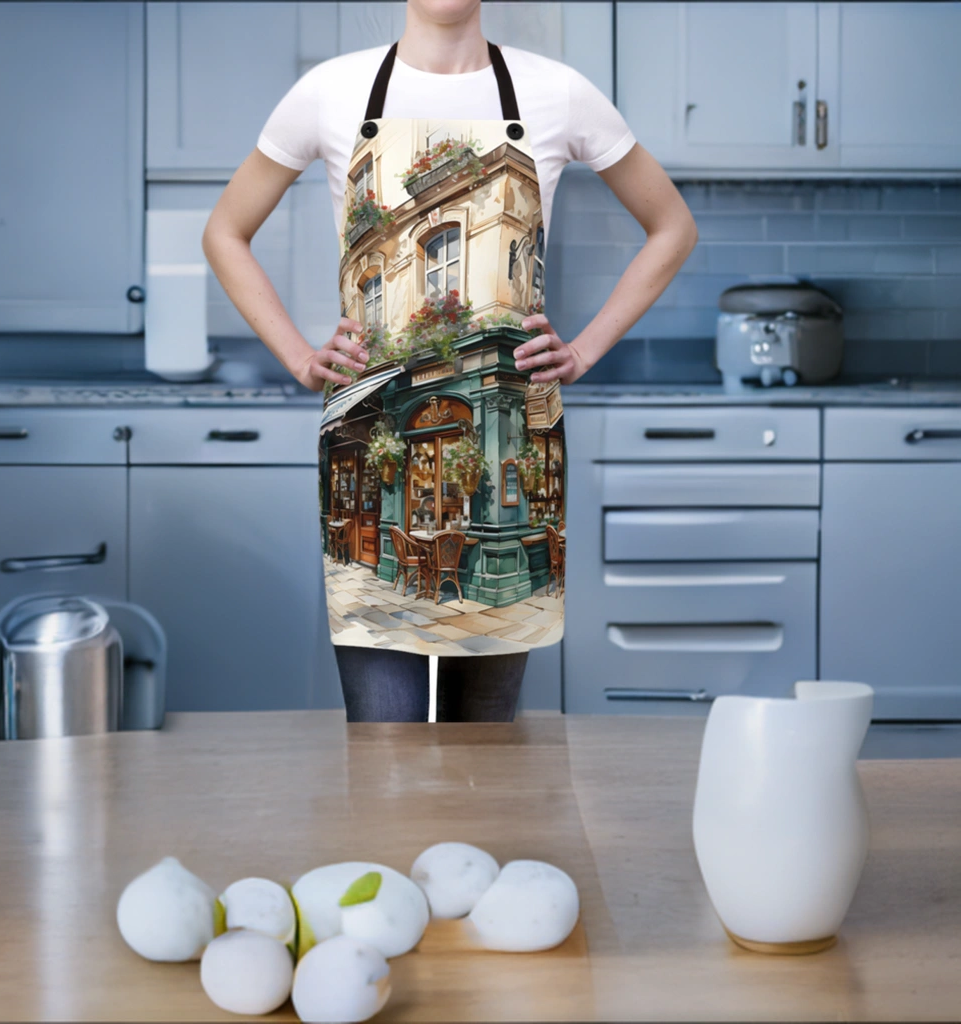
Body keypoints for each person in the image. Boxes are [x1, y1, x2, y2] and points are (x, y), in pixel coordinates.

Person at [203, 0, 698, 724]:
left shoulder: (558, 93)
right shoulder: (329, 92)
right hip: (378, 430)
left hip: (524, 426)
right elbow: (225, 231)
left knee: (487, 764)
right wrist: (301, 356)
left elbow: (673, 226)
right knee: (384, 748)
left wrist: (586, 348)